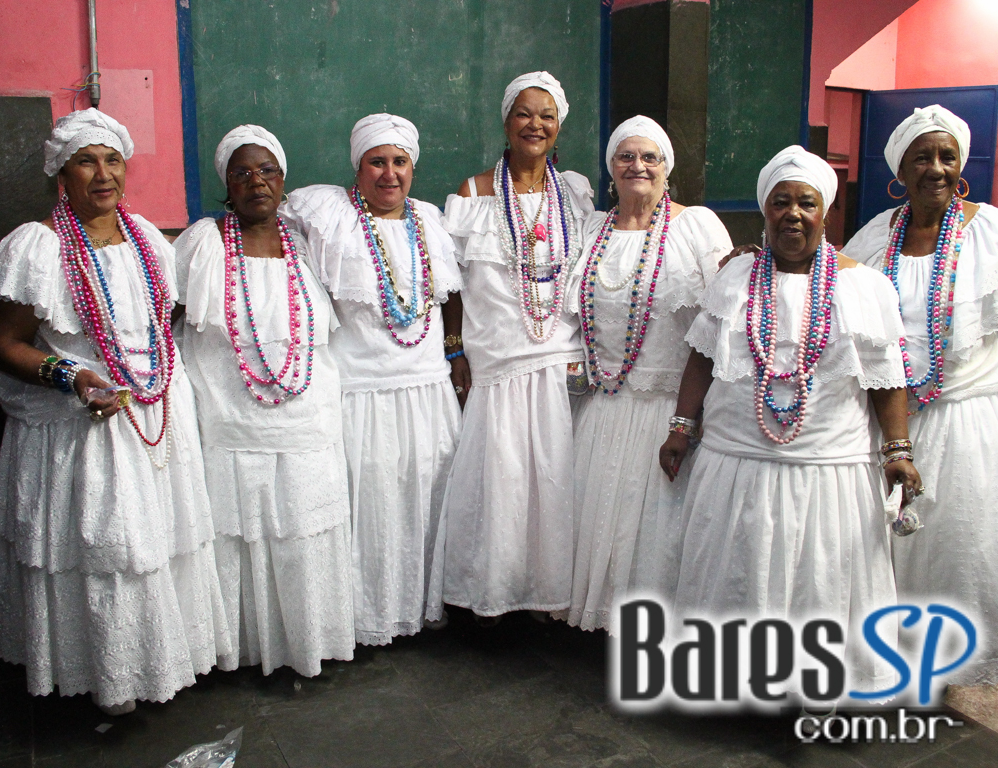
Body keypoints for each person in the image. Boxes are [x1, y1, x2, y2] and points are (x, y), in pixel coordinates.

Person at [0, 109, 229, 715]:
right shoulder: (36, 247)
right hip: (85, 425)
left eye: (112, 159)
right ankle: (108, 679)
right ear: (61, 176)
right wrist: (70, 376)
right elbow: (5, 342)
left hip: (152, 414)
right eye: (86, 162)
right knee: (110, 548)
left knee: (160, 540)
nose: (103, 173)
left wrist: (145, 376)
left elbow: (155, 324)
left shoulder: (148, 238)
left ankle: (163, 661)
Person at [660, 145, 921, 696]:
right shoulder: (733, 280)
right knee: (738, 578)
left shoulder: (863, 286)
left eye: (806, 202)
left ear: (825, 212)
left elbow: (887, 379)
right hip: (739, 467)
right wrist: (681, 428)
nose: (793, 213)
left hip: (829, 472)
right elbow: (702, 359)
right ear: (765, 211)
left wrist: (898, 450)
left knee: (820, 582)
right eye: (781, 202)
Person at [174, 125, 354, 674]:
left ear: (284, 180)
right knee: (238, 536)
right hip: (231, 422)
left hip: (306, 421)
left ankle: (305, 644)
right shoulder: (202, 243)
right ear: (227, 185)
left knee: (302, 530)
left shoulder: (306, 246)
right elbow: (170, 321)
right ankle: (241, 649)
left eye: (268, 171)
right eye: (243, 173)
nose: (257, 182)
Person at [844, 105, 998, 687]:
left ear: (961, 164)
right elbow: (830, 281)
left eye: (947, 157)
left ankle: (959, 664)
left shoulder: (991, 230)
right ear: (900, 169)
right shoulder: (875, 236)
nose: (936, 169)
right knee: (890, 550)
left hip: (970, 416)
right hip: (892, 420)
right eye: (923, 157)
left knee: (962, 544)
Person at [280, 114, 463, 645]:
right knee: (374, 500)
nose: (389, 174)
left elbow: (451, 298)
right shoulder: (327, 217)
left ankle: (424, 606)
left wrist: (454, 353)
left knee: (428, 492)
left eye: (399, 162)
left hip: (427, 389)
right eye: (376, 162)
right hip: (362, 394)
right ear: (357, 169)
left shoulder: (431, 220)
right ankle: (369, 616)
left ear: (413, 167)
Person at [432, 72, 594, 622]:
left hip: (560, 363)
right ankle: (496, 597)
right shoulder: (473, 194)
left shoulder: (574, 192)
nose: (536, 125)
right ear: (506, 121)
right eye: (525, 113)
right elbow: (451, 286)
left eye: (547, 116)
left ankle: (549, 598)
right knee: (501, 484)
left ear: (559, 127)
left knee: (554, 482)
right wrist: (455, 351)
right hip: (497, 364)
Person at [567, 116, 731, 633]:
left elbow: (721, 318)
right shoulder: (594, 228)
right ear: (611, 167)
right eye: (626, 157)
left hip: (667, 407)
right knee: (598, 518)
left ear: (666, 169)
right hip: (602, 403)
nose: (637, 166)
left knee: (658, 524)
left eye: (650, 158)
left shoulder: (694, 226)